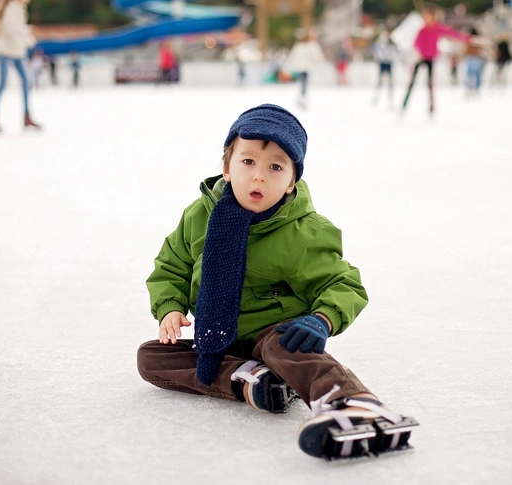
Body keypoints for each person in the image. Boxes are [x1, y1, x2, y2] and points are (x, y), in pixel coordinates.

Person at [137, 104, 418, 461]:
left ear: (291, 183)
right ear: (226, 168)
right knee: (150, 358)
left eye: (275, 167)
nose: (259, 177)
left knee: (284, 347)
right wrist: (170, 307)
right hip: (219, 336)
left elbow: (344, 284)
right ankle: (250, 380)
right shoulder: (200, 215)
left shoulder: (303, 232)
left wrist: (321, 319)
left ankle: (351, 401)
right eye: (248, 162)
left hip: (271, 331)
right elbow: (171, 264)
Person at [0, 0, 40, 131]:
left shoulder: (17, 8)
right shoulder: (13, 8)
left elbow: (16, 30)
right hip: (6, 51)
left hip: (17, 51)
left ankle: (26, 116)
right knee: (2, 84)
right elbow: (11, 30)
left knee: (26, 81)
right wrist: (29, 37)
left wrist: (27, 33)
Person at [401, 5, 470, 115]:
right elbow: (416, 43)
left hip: (430, 58)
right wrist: (415, 55)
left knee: (430, 84)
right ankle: (404, 105)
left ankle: (431, 107)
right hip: (420, 58)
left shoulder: (438, 28)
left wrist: (468, 38)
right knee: (412, 82)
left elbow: (453, 34)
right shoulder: (422, 30)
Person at [284, 32, 326, 108]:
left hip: (302, 68)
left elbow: (292, 56)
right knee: (304, 82)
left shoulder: (300, 46)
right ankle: (302, 97)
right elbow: (317, 57)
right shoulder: (310, 46)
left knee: (303, 82)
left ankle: (302, 97)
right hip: (304, 68)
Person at [371, 29, 398, 107]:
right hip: (382, 62)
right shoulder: (379, 43)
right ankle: (377, 98)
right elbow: (375, 51)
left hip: (388, 63)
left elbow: (395, 52)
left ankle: (390, 99)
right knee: (380, 81)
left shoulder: (391, 43)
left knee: (389, 82)